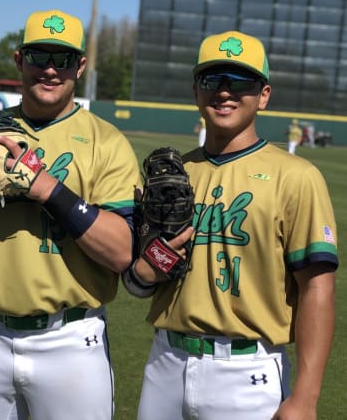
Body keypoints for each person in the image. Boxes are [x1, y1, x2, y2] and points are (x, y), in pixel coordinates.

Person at [0, 9, 141, 420]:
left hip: (71, 340)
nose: (51, 70)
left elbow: (121, 252)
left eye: (64, 59)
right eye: (40, 57)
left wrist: (48, 190)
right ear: (20, 60)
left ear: (81, 65)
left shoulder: (106, 142)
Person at [124, 30, 339, 420]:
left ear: (264, 94)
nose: (224, 92)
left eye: (240, 82)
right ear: (196, 91)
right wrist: (145, 268)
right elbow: (138, 282)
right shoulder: (173, 174)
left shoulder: (296, 177)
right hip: (165, 362)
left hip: (246, 372)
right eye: (212, 80)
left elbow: (317, 287)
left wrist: (306, 398)